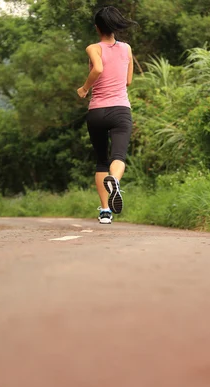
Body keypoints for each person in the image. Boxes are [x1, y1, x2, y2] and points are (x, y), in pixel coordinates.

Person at [77, 6, 136, 225]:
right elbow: (128, 81)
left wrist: (84, 89)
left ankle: (105, 212)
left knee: (101, 161)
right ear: (115, 27)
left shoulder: (93, 48)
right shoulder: (127, 49)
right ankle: (116, 183)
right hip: (121, 110)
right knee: (118, 156)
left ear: (97, 28)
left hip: (97, 112)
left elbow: (98, 69)